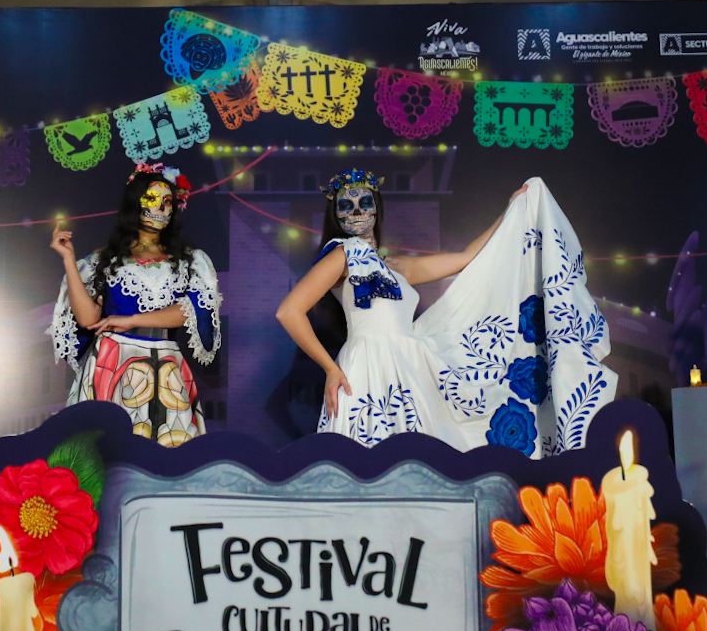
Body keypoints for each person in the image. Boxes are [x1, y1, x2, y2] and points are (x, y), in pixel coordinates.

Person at [276, 170, 615, 454]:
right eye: (345, 206)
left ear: (377, 208)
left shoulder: (397, 267)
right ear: (335, 215)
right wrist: (331, 368)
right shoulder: (342, 255)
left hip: (410, 364)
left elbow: (466, 258)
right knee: (371, 453)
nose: (356, 212)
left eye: (364, 202)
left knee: (421, 452)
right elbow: (289, 311)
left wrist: (510, 211)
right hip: (369, 364)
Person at [48, 162, 220, 445]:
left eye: (168, 201)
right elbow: (88, 319)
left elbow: (187, 312)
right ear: (135, 203)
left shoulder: (190, 261)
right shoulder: (105, 259)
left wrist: (131, 321)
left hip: (165, 361)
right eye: (152, 199)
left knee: (170, 448)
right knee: (109, 451)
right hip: (112, 359)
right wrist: (68, 259)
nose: (161, 207)